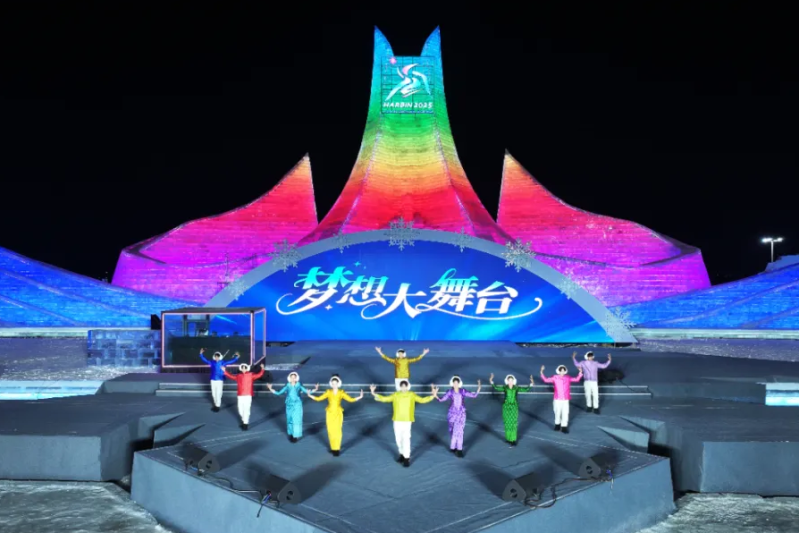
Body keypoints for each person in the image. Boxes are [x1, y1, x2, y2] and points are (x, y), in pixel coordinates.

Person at [370, 380, 438, 467]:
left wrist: (432, 395)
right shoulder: (396, 394)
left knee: (406, 439)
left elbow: (422, 400)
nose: (403, 388)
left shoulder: (411, 395)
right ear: (400, 387)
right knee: (398, 439)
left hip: (407, 420)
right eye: (402, 386)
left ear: (407, 387)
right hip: (397, 420)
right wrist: (374, 393)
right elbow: (385, 399)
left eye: (405, 386)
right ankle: (401, 455)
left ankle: (406, 458)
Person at [308, 375, 364, 456]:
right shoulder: (328, 392)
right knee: (330, 430)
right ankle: (333, 448)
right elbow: (319, 398)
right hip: (329, 413)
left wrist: (360, 397)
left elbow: (350, 399)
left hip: (338, 413)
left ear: (338, 384)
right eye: (333, 383)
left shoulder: (341, 392)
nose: (334, 385)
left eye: (335, 383)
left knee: (338, 431)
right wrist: (310, 395)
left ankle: (337, 449)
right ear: (331, 384)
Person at [436, 376, 481, 457]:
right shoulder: (450, 392)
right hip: (452, 415)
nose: (456, 384)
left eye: (457, 383)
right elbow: (441, 399)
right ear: (452, 384)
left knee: (459, 432)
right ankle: (453, 447)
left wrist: (478, 388)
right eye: (454, 383)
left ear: (459, 384)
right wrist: (435, 395)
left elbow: (474, 395)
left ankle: (459, 450)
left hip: (461, 415)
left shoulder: (462, 391)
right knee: (452, 430)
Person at [267, 372, 315, 443]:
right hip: (289, 405)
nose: (293, 379)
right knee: (290, 420)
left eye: (294, 377)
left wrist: (314, 389)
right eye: (291, 377)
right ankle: (291, 433)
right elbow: (279, 393)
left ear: (296, 378)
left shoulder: (299, 385)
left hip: (297, 404)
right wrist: (270, 389)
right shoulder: (287, 386)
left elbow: (306, 392)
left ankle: (295, 436)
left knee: (296, 420)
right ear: (289, 378)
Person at [489, 373, 535, 446]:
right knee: (507, 423)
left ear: (514, 381)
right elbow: (497, 388)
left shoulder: (516, 388)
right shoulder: (505, 387)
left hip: (514, 407)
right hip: (506, 407)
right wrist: (491, 381)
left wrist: (531, 384)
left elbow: (525, 389)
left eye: (511, 380)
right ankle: (508, 438)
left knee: (513, 423)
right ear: (507, 381)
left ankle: (513, 440)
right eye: (509, 380)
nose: (510, 382)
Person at [540, 365, 583, 434]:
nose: (562, 372)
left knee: (565, 412)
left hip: (565, 399)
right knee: (557, 412)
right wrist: (542, 372)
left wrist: (580, 372)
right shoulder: (555, 377)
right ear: (558, 371)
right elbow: (546, 380)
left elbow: (576, 379)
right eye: (561, 371)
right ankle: (557, 424)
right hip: (557, 399)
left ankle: (564, 427)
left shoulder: (568, 378)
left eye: (563, 371)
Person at [223, 363, 265, 431]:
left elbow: (259, 375)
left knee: (246, 409)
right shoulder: (238, 376)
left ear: (247, 368)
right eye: (242, 368)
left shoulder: (251, 375)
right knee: (240, 410)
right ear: (241, 369)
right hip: (240, 395)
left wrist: (262, 369)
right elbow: (231, 376)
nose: (243, 369)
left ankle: (245, 424)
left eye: (244, 367)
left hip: (248, 395)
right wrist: (225, 371)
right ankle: (244, 420)